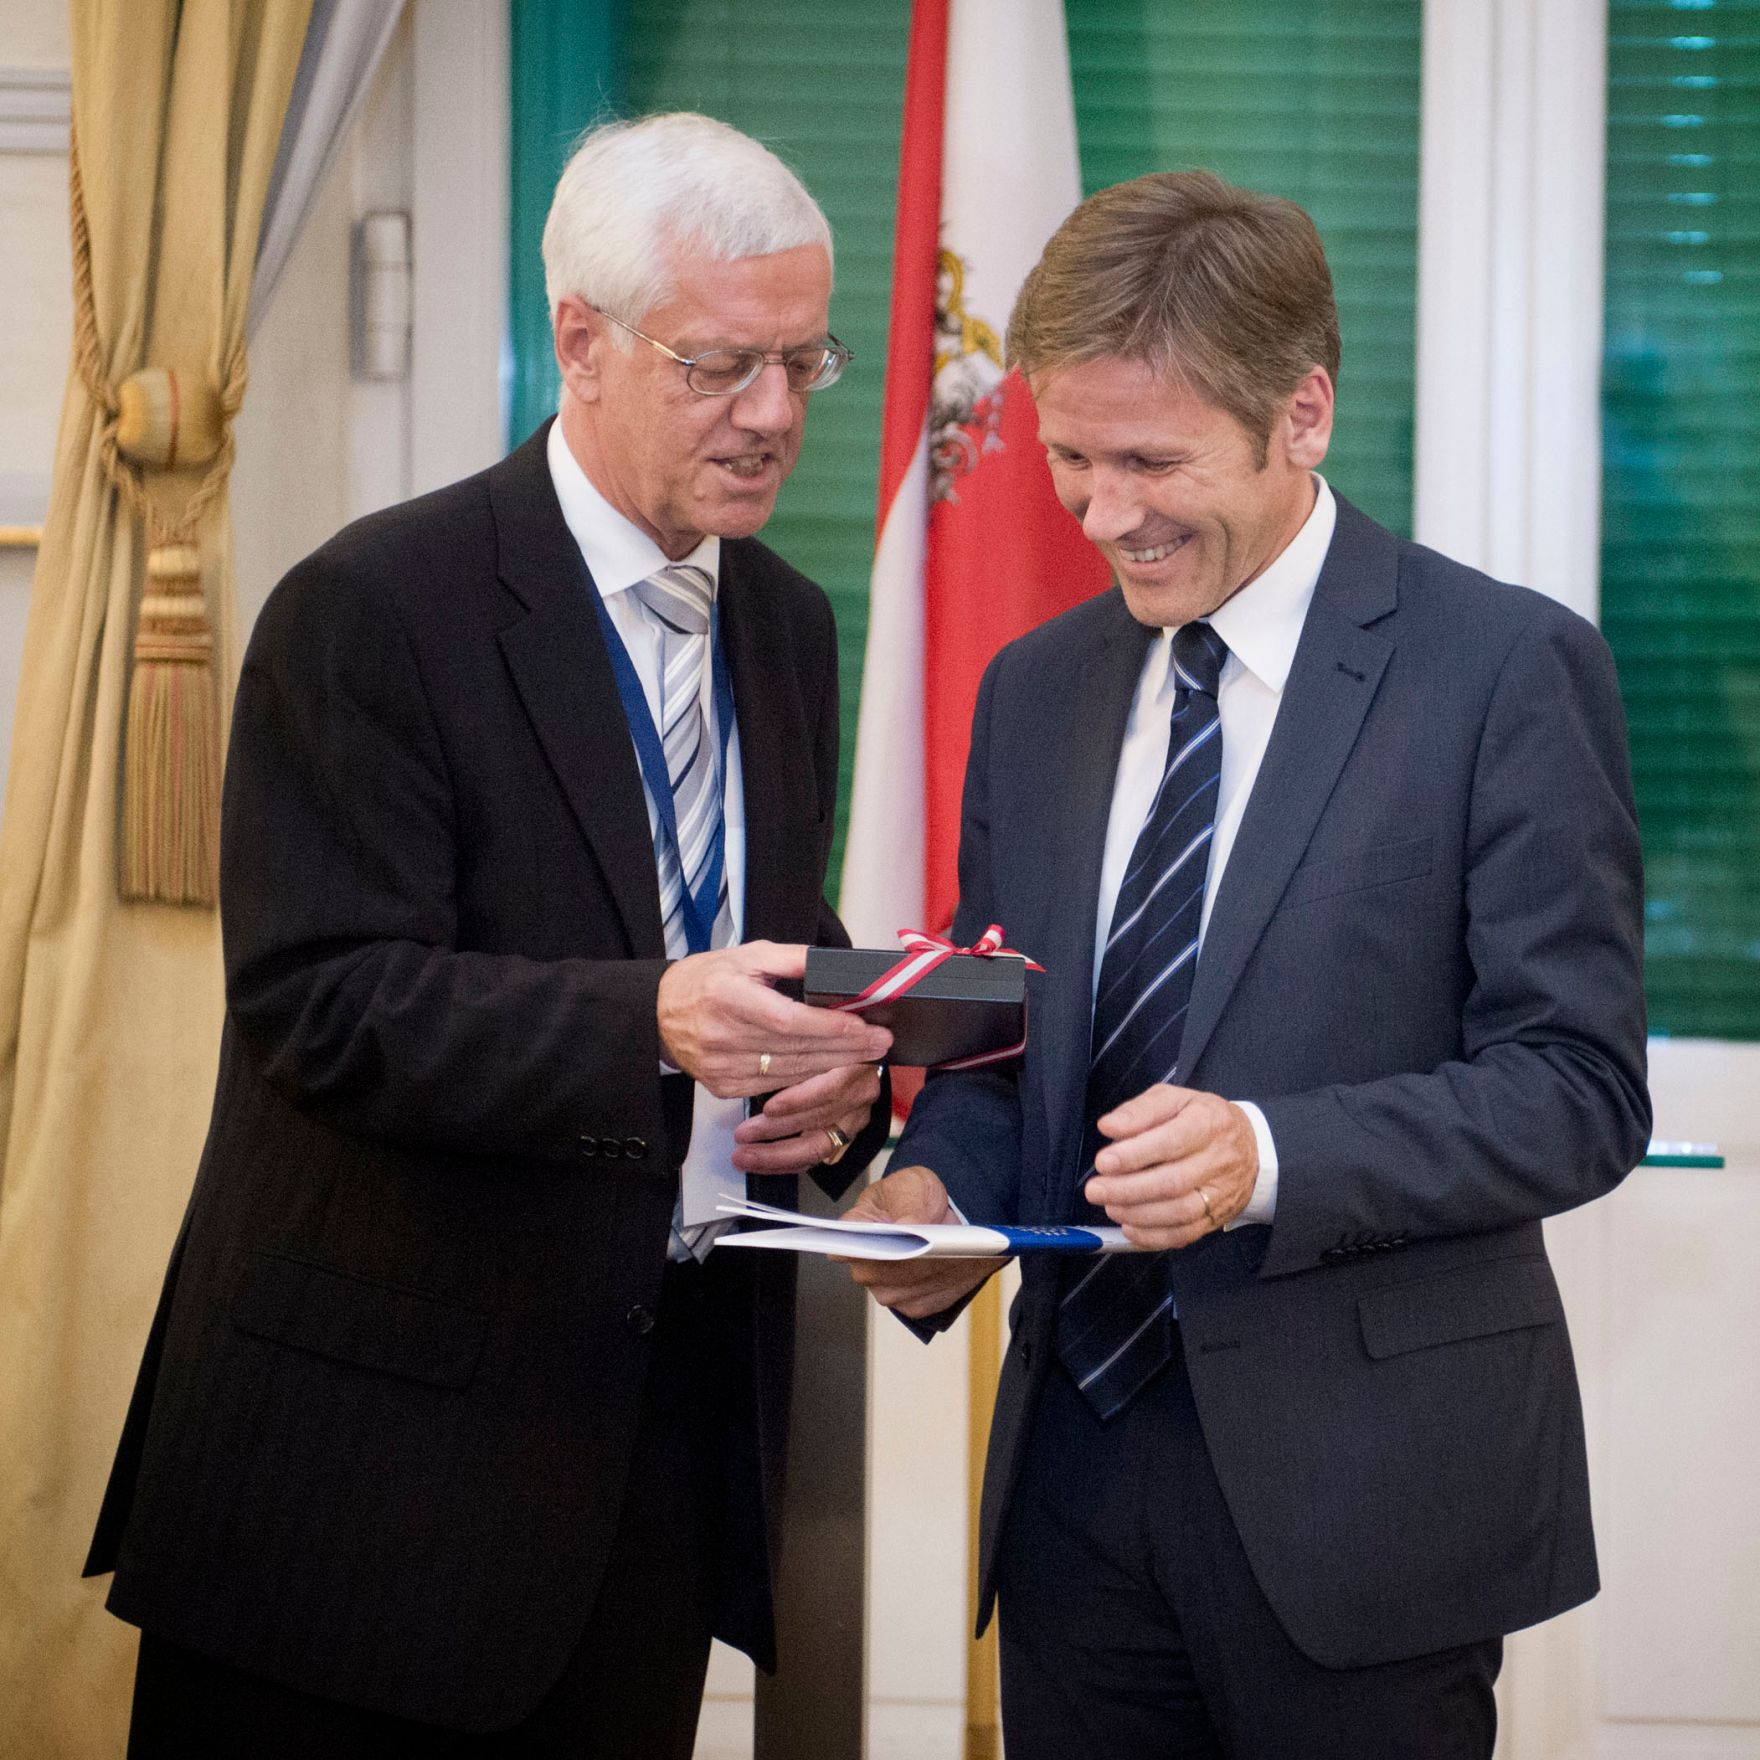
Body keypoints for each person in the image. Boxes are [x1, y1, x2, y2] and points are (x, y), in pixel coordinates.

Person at [84, 112, 893, 1759]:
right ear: (580, 343)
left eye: (807, 362)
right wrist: (655, 1023)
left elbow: (759, 926)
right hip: (364, 1489)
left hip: (643, 1466)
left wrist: (849, 1074)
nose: (776, 416)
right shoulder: (378, 607)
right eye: (722, 364)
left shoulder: (790, 626)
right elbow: (326, 1004)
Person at [845, 170, 1649, 1759]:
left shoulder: (1503, 671)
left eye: (1152, 461)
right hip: (1072, 1491)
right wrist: (938, 1181)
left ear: (1304, 414)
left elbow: (1577, 1088)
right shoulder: (1033, 691)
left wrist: (1268, 1156)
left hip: (1372, 1507)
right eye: (1072, 459)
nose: (1103, 513)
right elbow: (1017, 1056)